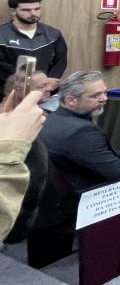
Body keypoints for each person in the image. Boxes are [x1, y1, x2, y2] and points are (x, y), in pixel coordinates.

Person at [39, 71, 120, 192]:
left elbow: (85, 150)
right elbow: (118, 172)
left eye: (104, 92)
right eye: (95, 95)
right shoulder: (82, 131)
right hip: (86, 198)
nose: (104, 98)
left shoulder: (51, 119)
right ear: (71, 100)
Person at [1, 71, 53, 243]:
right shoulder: (13, 131)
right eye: (41, 86)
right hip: (14, 215)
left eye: (48, 84)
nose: (48, 89)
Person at [0, 0, 68, 86]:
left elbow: (61, 60)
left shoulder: (53, 33)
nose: (33, 13)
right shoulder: (2, 34)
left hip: (44, 90)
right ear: (13, 11)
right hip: (10, 90)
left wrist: (51, 79)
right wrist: (26, 82)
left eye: (37, 9)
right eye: (26, 10)